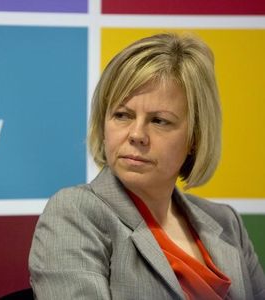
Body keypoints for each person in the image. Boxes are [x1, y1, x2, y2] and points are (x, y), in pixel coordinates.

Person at [29, 33, 265, 299]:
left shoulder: (226, 222)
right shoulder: (76, 213)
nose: (136, 134)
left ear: (195, 138)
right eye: (122, 115)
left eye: (159, 121)